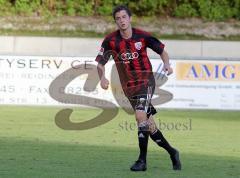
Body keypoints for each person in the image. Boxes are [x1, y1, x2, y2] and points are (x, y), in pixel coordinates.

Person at [95, 5, 181, 172]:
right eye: (118, 18)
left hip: (146, 82)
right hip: (129, 88)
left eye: (124, 17)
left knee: (140, 115)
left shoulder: (142, 36)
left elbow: (162, 51)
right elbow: (100, 63)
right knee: (149, 125)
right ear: (116, 21)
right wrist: (102, 78)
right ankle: (173, 152)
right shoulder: (110, 40)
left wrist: (167, 64)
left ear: (130, 18)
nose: (121, 21)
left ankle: (142, 161)